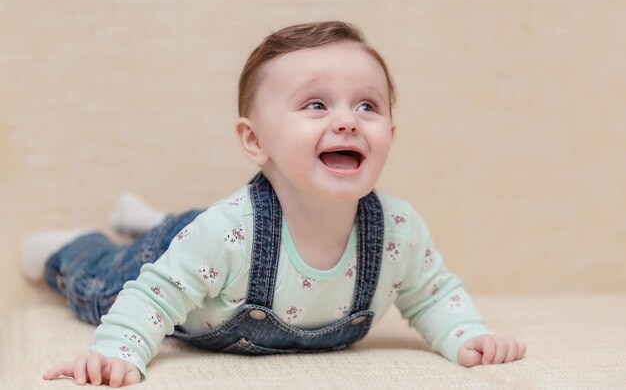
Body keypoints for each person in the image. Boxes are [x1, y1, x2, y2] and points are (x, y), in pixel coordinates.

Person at [23, 21, 526, 387]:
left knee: (198, 246)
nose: (348, 121)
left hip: (209, 256)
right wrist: (118, 354)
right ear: (254, 140)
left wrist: (467, 336)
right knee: (102, 282)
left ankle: (151, 217)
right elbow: (153, 296)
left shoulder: (398, 231)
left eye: (367, 105)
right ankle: (77, 244)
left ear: (390, 134)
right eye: (316, 105)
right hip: (181, 261)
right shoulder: (226, 232)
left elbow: (433, 293)